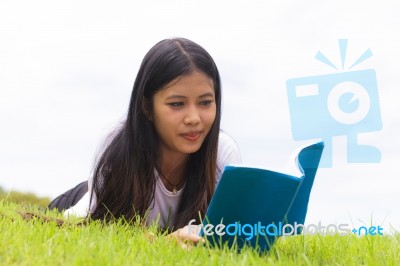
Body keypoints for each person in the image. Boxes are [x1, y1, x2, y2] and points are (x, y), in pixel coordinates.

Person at [49, 37, 241, 246]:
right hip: (86, 197)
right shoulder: (117, 144)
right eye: (177, 104)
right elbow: (92, 231)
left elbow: (233, 235)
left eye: (205, 102)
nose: (194, 118)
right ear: (147, 107)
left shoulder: (223, 154)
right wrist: (164, 243)